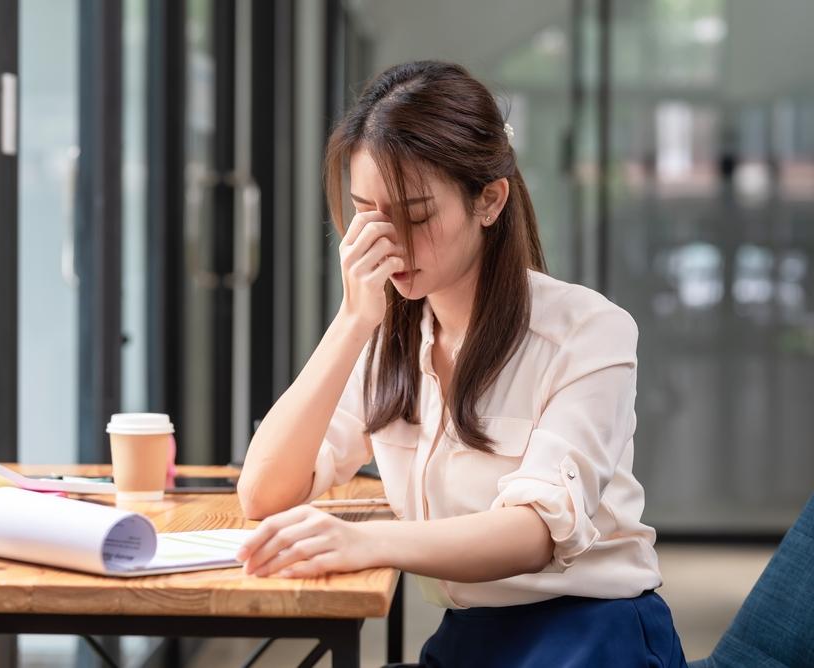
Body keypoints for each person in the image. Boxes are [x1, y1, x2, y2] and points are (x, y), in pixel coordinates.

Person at [235, 60, 688, 667]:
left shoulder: (588, 332)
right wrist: (350, 323)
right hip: (470, 637)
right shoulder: (386, 335)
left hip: (592, 635)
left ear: (489, 200)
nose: (388, 242)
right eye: (369, 212)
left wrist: (365, 542)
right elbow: (264, 492)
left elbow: (532, 534)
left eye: (416, 216)